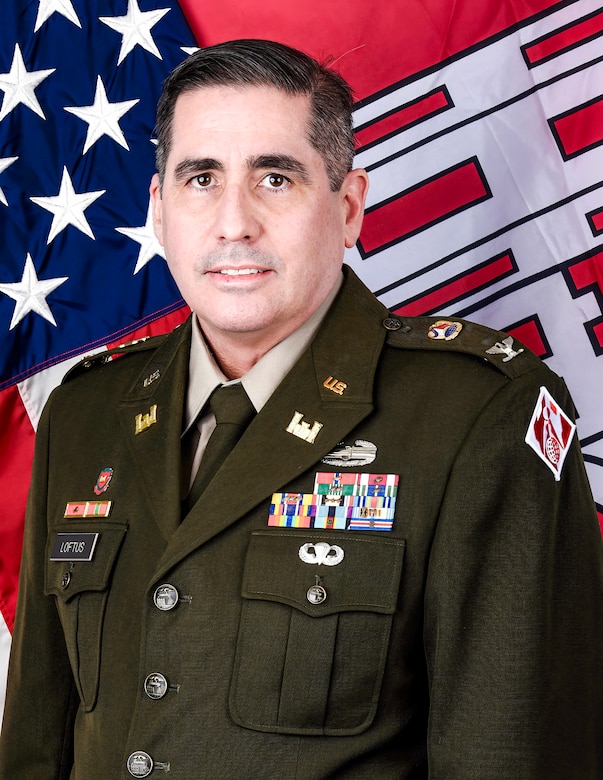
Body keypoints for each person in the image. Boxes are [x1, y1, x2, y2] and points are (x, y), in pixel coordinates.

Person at [0, 39, 601, 779]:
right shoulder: (84, 411)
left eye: (275, 178)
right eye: (200, 179)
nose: (233, 224)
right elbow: (36, 745)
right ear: (159, 211)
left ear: (347, 209)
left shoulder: (477, 415)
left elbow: (512, 755)